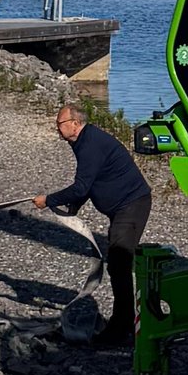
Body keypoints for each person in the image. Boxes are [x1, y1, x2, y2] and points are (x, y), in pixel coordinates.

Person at [32, 103, 150, 348]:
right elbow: (91, 181)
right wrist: (74, 206)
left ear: (75, 124)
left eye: (60, 124)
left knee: (119, 263)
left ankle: (122, 328)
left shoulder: (90, 144)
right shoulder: (82, 141)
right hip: (121, 207)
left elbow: (81, 186)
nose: (57, 128)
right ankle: (126, 323)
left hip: (132, 204)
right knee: (118, 264)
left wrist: (48, 200)